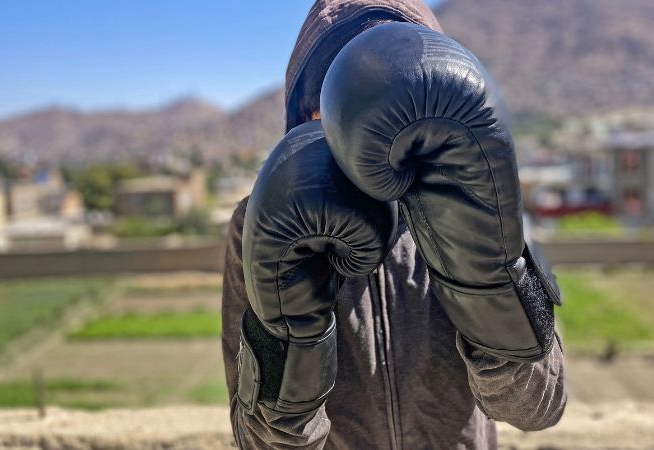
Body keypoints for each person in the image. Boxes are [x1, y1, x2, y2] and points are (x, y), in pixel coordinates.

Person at [221, 1, 567, 449]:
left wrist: (486, 291)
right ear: (308, 118)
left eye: (382, 95)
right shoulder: (257, 226)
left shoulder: (481, 195)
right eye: (342, 103)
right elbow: (258, 443)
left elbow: (540, 407)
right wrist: (291, 350)